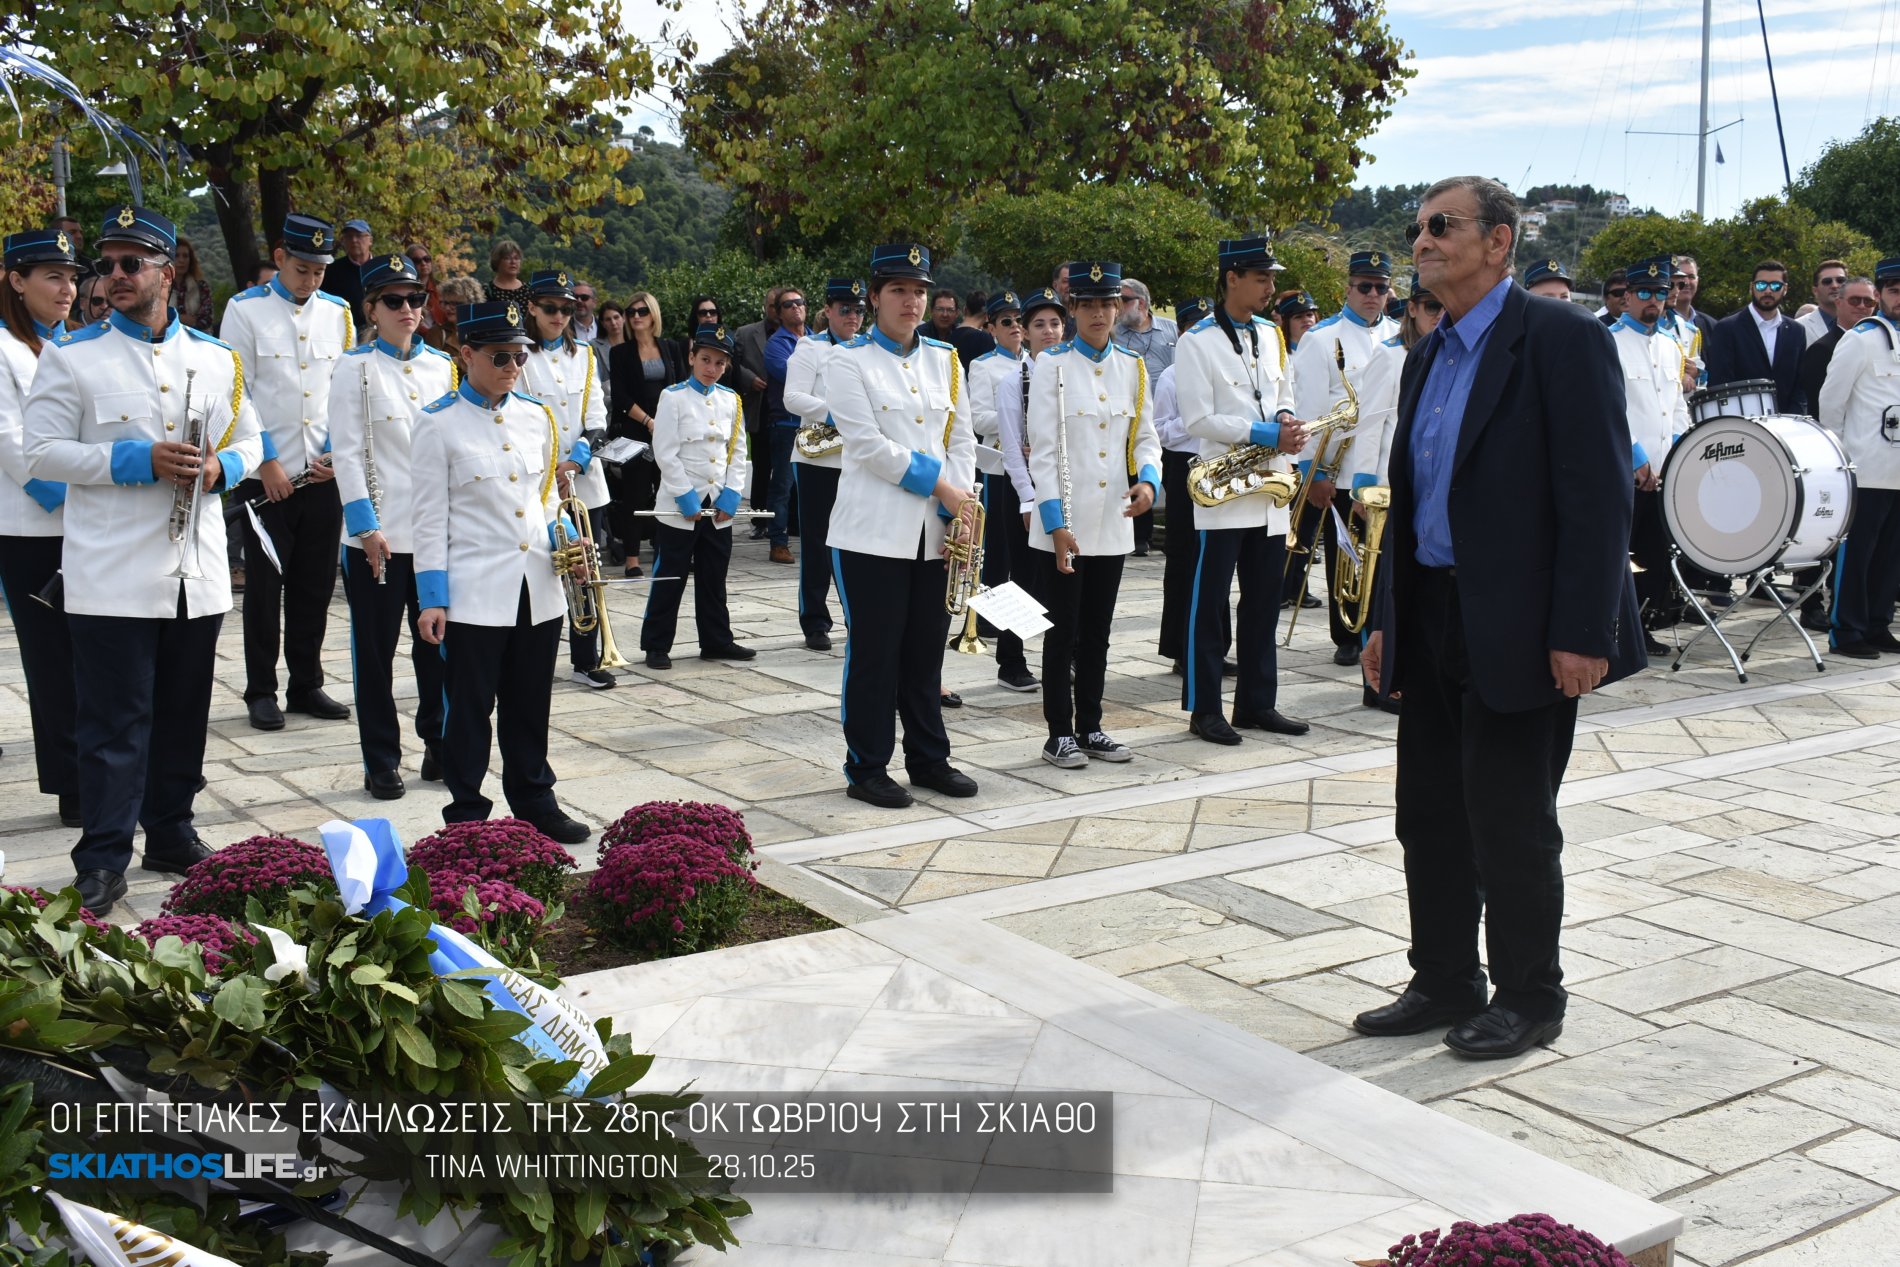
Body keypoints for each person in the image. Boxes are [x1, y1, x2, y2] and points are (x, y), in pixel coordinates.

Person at [1354, 175, 1644, 1059]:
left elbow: (1596, 500)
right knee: (1429, 811)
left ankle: (1530, 993)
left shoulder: (1562, 340)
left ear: (1499, 241)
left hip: (1524, 622)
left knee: (1510, 817)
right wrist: (1383, 621)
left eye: (1442, 225)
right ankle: (1445, 977)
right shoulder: (1425, 353)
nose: (1422, 241)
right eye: (1418, 228)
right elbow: (1412, 505)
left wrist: (1583, 630)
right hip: (1435, 610)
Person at [24, 205, 265, 916]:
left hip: (197, 572)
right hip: (112, 576)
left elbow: (254, 442)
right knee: (112, 724)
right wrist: (136, 460)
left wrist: (226, 466)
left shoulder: (217, 358)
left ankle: (170, 829)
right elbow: (39, 453)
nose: (115, 277)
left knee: (185, 714)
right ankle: (102, 856)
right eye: (107, 264)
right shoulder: (72, 356)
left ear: (169, 270)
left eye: (133, 263)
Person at [411, 299, 591, 844]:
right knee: (468, 708)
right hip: (474, 590)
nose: (514, 366)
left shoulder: (536, 416)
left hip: (536, 584)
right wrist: (432, 597)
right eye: (501, 356)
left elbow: (540, 503)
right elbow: (428, 519)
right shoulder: (437, 424)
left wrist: (568, 539)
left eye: (520, 356)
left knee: (530, 700)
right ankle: (467, 809)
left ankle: (534, 796)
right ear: (467, 355)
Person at [827, 243, 979, 808]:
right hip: (871, 534)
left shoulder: (945, 359)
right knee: (875, 654)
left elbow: (960, 439)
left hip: (934, 532)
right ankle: (866, 766)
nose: (911, 301)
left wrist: (955, 506)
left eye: (918, 290)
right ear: (873, 298)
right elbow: (868, 446)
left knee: (925, 653)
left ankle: (928, 758)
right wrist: (942, 487)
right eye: (898, 290)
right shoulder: (846, 361)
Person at [329, 252, 457, 798]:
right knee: (374, 652)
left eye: (415, 299)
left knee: (437, 645)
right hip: (375, 536)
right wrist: (364, 526)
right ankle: (380, 757)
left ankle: (438, 742)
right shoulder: (351, 368)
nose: (407, 309)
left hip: (430, 532)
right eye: (393, 300)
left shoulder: (443, 368)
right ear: (371, 308)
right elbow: (347, 452)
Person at [220, 213, 354, 732]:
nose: (311, 280)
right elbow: (238, 391)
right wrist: (270, 458)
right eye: (302, 269)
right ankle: (260, 689)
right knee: (265, 588)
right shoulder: (245, 309)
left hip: (322, 474)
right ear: (280, 259)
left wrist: (334, 454)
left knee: (315, 584)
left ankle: (306, 682)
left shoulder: (338, 313)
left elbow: (342, 391)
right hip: (265, 477)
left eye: (319, 271)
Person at [1176, 235, 1311, 745]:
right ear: (1231, 278)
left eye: (1271, 278)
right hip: (1224, 488)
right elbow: (1198, 418)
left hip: (1269, 487)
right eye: (1262, 278)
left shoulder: (1272, 335)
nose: (1270, 287)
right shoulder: (1197, 341)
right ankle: (1204, 708)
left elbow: (1284, 390)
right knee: (1209, 605)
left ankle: (1258, 702)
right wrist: (1262, 433)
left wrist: (1284, 417)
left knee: (1262, 603)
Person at [1025, 261, 1161, 768]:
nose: (1101, 313)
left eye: (1109, 303)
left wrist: (1148, 479)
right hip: (1067, 522)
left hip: (1113, 520)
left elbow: (1144, 436)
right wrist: (1056, 524)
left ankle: (1092, 725)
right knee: (1062, 632)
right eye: (1090, 304)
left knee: (1098, 633)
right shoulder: (1051, 366)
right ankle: (1058, 731)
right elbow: (1042, 450)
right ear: (1073, 309)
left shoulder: (1132, 366)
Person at [0, 229, 82, 827]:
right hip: (32, 527)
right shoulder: (5, 349)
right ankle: (72, 785)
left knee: (93, 659)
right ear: (15, 280)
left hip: (84, 525)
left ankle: (101, 773)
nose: (67, 288)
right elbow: (13, 443)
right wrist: (78, 501)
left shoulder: (68, 346)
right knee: (53, 663)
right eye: (51, 276)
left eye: (71, 276)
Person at [1289, 250, 1398, 662]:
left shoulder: (1398, 333)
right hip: (1342, 466)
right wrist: (1311, 472)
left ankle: (1381, 630)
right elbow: (1311, 410)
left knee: (1385, 557)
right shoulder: (1322, 339)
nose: (1372, 295)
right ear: (1348, 289)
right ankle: (1348, 634)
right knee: (1346, 554)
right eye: (1364, 287)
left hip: (1386, 467)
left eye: (1381, 288)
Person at [1339, 276, 1441, 711]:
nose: (1439, 315)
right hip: (1388, 485)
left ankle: (1406, 671)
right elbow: (1371, 424)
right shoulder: (1391, 355)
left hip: (1429, 488)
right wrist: (1363, 486)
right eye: (1431, 307)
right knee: (1379, 586)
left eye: (1444, 307)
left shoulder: (1448, 354)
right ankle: (1374, 680)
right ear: (1412, 309)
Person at [641, 321, 756, 671]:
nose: (712, 369)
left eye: (720, 364)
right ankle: (657, 645)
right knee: (669, 575)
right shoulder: (672, 397)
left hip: (717, 501)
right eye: (705, 360)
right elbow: (664, 451)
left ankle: (716, 641)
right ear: (691, 357)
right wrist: (683, 495)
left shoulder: (731, 400)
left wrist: (733, 493)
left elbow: (736, 451)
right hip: (682, 503)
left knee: (713, 576)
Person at [521, 269, 614, 688]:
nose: (559, 316)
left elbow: (596, 419)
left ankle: (587, 658)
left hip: (580, 479)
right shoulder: (520, 356)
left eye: (566, 309)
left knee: (584, 569)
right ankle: (534, 653)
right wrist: (550, 468)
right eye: (550, 308)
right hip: (536, 480)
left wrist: (574, 462)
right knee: (544, 568)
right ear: (532, 308)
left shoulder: (587, 356)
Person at [1818, 259, 1900, 660]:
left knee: (1891, 555)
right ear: (1882, 294)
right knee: (1858, 554)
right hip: (1866, 468)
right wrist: (1842, 456)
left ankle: (1877, 623)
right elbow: (1831, 402)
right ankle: (1847, 630)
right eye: (1895, 290)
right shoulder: (1862, 338)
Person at [1611, 257, 1693, 655]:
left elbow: (1676, 406)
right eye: (1644, 292)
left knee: (1654, 555)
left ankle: (1642, 627)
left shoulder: (1671, 345)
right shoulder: (1610, 341)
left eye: (1661, 293)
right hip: (1624, 471)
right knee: (1618, 556)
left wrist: (1678, 453)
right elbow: (1610, 408)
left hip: (1663, 472)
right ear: (1626, 297)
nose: (1654, 301)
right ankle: (1615, 630)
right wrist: (1635, 456)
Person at [783, 277, 866, 653]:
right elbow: (792, 397)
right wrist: (835, 413)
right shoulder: (809, 347)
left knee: (859, 544)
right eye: (845, 309)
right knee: (817, 543)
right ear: (829, 310)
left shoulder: (867, 349)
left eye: (860, 309)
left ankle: (858, 617)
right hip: (818, 457)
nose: (853, 316)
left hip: (859, 457)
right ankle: (815, 621)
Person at [963, 289, 1040, 691]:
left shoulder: (1039, 362)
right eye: (1004, 321)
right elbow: (979, 415)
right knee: (999, 556)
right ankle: (994, 626)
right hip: (1000, 465)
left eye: (1017, 321)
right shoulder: (984, 365)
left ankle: (1015, 632)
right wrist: (1018, 420)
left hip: (1039, 467)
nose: (1013, 327)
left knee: (1030, 562)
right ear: (991, 328)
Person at [1154, 298, 1233, 674]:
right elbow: (1160, 431)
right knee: (1185, 558)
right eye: (1191, 327)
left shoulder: (1220, 370)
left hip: (1217, 465)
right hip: (1184, 465)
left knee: (1217, 555)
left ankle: (1216, 646)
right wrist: (1197, 422)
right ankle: (1181, 648)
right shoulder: (1170, 377)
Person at [607, 291, 687, 576]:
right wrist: (649, 421)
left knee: (668, 491)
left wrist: (667, 423)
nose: (636, 317)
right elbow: (621, 396)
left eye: (642, 311)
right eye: (631, 312)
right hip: (635, 430)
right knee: (635, 494)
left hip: (667, 430)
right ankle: (631, 558)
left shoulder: (670, 347)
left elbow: (678, 386)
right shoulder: (620, 352)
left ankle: (667, 551)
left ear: (653, 314)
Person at [1704, 259, 1808, 415]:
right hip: (1742, 424)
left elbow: (1800, 385)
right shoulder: (1727, 328)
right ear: (1751, 287)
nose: (1767, 291)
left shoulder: (1796, 331)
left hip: (1785, 423)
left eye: (1775, 286)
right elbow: (1720, 384)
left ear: (1785, 289)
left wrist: (1794, 419)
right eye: (1761, 285)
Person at [763, 284, 809, 564]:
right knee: (782, 485)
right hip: (787, 423)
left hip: (814, 424)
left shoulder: (817, 339)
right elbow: (793, 376)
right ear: (778, 313)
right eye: (788, 305)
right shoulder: (776, 344)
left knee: (815, 484)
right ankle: (778, 542)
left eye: (799, 302)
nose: (796, 307)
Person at [1801, 276, 1877, 421]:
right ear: (1838, 302)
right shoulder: (1821, 349)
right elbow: (1819, 407)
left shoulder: (1879, 344)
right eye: (1854, 300)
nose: (1862, 306)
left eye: (1868, 302)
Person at [734, 291, 779, 533]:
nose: (774, 311)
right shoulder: (746, 333)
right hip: (759, 405)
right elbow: (732, 363)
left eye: (778, 306)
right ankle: (759, 519)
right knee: (761, 465)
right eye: (771, 306)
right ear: (765, 307)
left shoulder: (797, 334)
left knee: (784, 467)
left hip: (784, 407)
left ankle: (785, 519)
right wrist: (749, 378)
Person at [323, 219, 374, 330]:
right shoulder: (331, 270)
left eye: (359, 236)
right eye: (349, 237)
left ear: (370, 240)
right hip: (344, 332)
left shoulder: (381, 268)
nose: (354, 240)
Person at [1798, 259, 1850, 342]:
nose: (1835, 285)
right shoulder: (1800, 327)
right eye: (1827, 282)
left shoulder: (1860, 323)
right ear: (1815, 291)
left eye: (1840, 280)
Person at [172, 237, 216, 333]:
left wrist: (173, 318)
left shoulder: (201, 287)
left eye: (185, 256)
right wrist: (180, 318)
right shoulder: (159, 287)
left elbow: (207, 319)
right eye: (177, 256)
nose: (181, 260)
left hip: (198, 341)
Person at [484, 239, 529, 306]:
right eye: (507, 258)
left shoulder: (528, 290)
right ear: (497, 261)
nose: (513, 262)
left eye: (516, 258)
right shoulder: (486, 292)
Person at [570, 279, 599, 345]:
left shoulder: (604, 327)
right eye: (575, 297)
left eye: (584, 297)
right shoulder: (563, 329)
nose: (579, 301)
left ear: (595, 302)